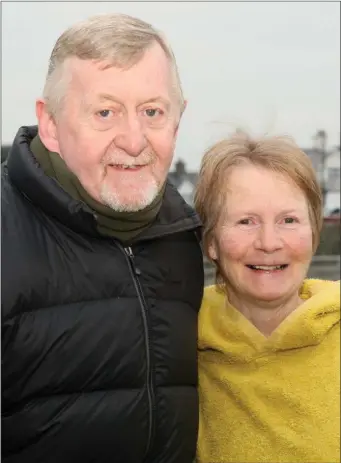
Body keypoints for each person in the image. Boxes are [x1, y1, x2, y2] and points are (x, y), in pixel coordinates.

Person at [1, 13, 204, 463]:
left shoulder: (181, 234)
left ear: (178, 118)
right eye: (105, 112)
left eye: (152, 112)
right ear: (50, 124)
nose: (134, 140)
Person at [194, 132, 340, 463]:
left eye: (288, 220)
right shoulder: (173, 343)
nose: (269, 242)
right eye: (246, 221)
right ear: (211, 241)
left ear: (314, 234)